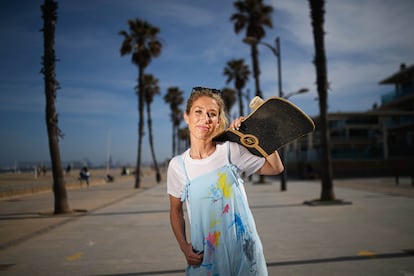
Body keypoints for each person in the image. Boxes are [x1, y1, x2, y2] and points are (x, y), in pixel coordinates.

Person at [167, 87, 284, 275]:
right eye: (198, 112)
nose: (205, 118)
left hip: (246, 258)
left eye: (212, 114)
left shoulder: (231, 151)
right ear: (186, 116)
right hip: (205, 261)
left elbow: (276, 167)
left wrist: (257, 134)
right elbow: (175, 210)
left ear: (218, 121)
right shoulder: (178, 166)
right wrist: (184, 246)